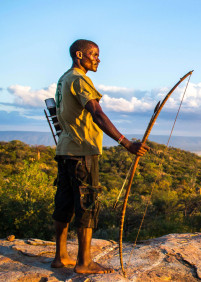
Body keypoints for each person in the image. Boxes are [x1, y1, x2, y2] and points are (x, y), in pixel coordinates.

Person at [51, 39, 149, 274]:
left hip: (65, 150)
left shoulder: (64, 78)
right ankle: (84, 262)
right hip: (82, 152)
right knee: (87, 205)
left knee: (64, 203)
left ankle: (60, 257)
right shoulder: (79, 79)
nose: (98, 59)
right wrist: (126, 143)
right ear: (79, 55)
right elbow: (97, 113)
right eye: (93, 54)